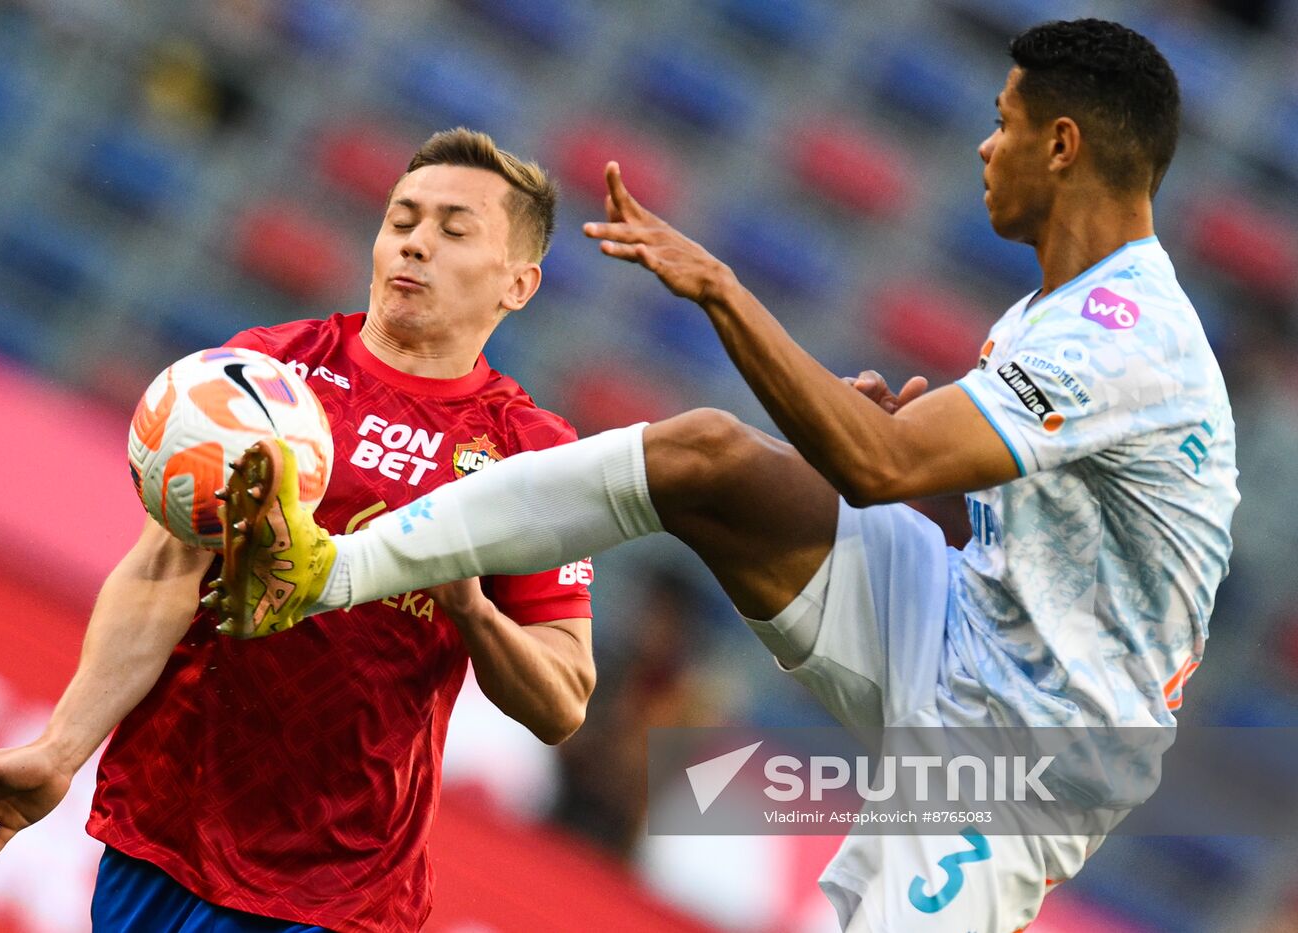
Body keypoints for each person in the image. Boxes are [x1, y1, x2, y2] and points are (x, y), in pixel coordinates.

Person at [212, 19, 1238, 932]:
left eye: (1004, 120)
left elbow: (874, 466)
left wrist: (720, 290)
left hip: (1033, 755)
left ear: (1060, 145)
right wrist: (883, 437)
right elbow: (1004, 520)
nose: (983, 144)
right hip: (962, 627)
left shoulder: (1119, 336)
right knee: (707, 458)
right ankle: (323, 570)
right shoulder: (1051, 316)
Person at [0, 128, 599, 933]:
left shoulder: (531, 453)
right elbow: (160, 573)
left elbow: (562, 698)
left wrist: (469, 604)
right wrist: (60, 748)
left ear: (517, 284)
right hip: (165, 835)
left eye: (454, 231)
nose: (416, 244)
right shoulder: (265, 377)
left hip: (344, 890)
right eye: (402, 220)